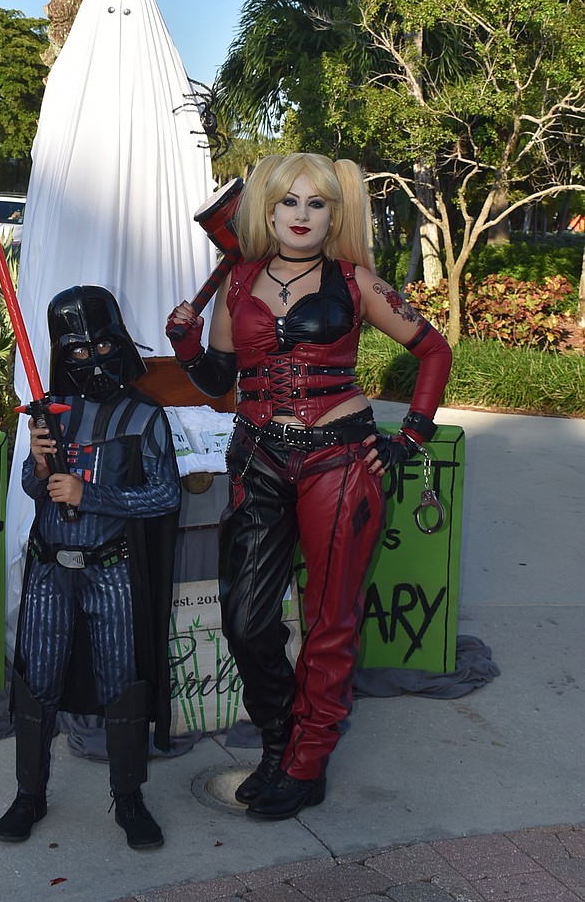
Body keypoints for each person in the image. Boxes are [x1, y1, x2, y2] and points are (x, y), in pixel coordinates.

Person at [166, 153, 452, 821]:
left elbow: (433, 350)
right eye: (288, 202)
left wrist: (409, 436)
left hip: (339, 459)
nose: (301, 215)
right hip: (257, 459)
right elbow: (218, 382)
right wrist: (186, 346)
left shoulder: (356, 283)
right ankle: (278, 743)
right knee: (245, 619)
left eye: (315, 203)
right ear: (267, 213)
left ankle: (307, 760)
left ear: (333, 213)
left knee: (329, 619)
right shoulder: (238, 283)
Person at [0, 285, 181, 851]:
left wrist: (90, 494)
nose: (92, 359)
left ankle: (128, 797)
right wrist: (39, 464)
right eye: (77, 350)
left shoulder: (145, 415)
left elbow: (165, 495)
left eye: (102, 345)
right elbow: (34, 488)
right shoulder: (50, 412)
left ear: (119, 341)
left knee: (123, 682)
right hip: (50, 571)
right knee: (36, 681)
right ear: (61, 352)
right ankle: (29, 794)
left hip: (112, 571)